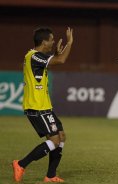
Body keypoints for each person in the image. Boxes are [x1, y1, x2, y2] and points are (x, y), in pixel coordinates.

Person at [12, 27, 73, 182]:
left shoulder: (37, 57)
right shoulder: (33, 56)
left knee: (61, 136)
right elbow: (61, 61)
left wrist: (57, 54)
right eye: (51, 39)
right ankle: (20, 164)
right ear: (44, 41)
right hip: (37, 107)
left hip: (44, 107)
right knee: (54, 141)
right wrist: (70, 42)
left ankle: (50, 175)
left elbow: (54, 60)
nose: (53, 42)